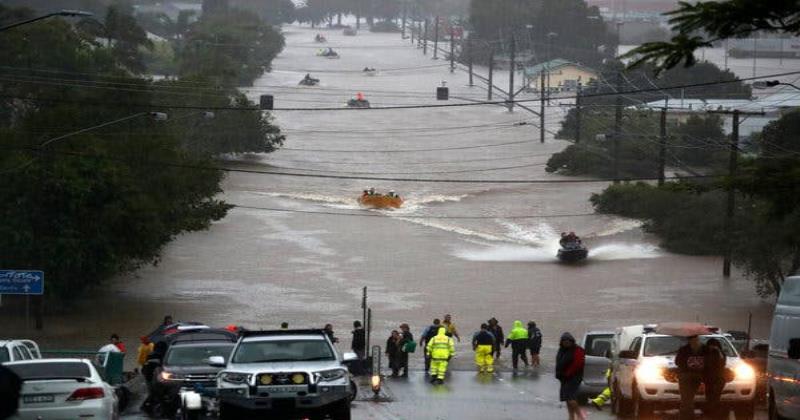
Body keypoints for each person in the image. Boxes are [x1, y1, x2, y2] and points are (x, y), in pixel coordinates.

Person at [556, 332, 587, 420]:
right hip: (563, 377)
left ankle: (580, 416)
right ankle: (571, 417)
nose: (566, 343)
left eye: (568, 341)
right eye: (564, 341)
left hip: (573, 377)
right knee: (567, 398)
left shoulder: (578, 350)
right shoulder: (561, 350)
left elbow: (578, 364)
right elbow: (559, 363)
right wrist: (559, 374)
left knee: (570, 398)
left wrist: (568, 374)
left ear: (572, 341)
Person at [676, 335, 707, 420]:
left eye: (696, 339)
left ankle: (686, 416)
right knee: (686, 399)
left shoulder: (704, 349)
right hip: (688, 377)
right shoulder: (685, 350)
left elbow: (678, 362)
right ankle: (687, 416)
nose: (695, 341)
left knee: (686, 399)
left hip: (694, 377)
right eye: (694, 339)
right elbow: (678, 361)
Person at [704, 338, 727, 419]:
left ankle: (714, 414)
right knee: (709, 397)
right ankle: (711, 413)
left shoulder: (720, 354)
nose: (712, 347)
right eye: (711, 345)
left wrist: (718, 350)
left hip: (719, 379)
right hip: (708, 379)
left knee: (715, 397)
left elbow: (722, 361)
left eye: (714, 345)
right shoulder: (706, 354)